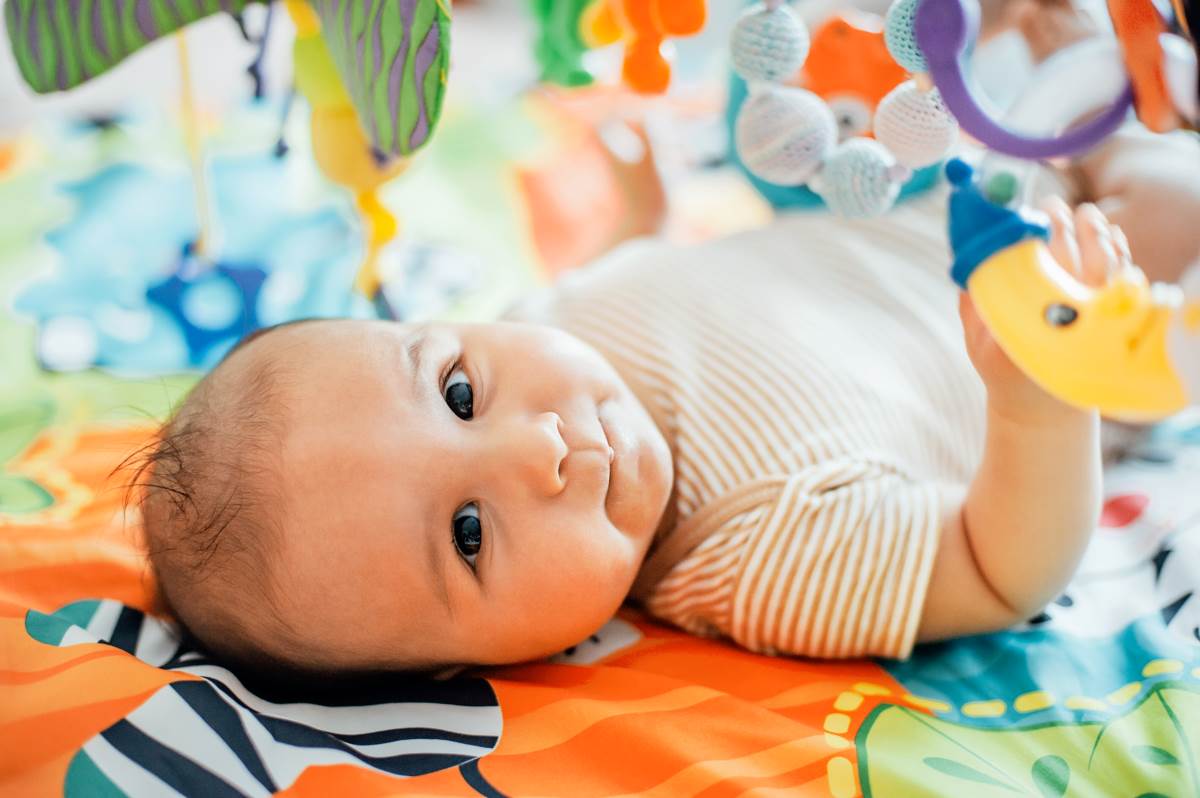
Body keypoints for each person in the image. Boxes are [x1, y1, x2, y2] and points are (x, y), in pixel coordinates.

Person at [134, 7, 1200, 678]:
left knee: (1009, 48)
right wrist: (1040, 402)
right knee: (1168, 190)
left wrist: (642, 212)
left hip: (939, 194)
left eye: (457, 392)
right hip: (1077, 305)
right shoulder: (757, 559)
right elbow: (1001, 566)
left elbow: (644, 273)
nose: (533, 453)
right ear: (483, 666)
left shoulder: (552, 324)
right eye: (467, 534)